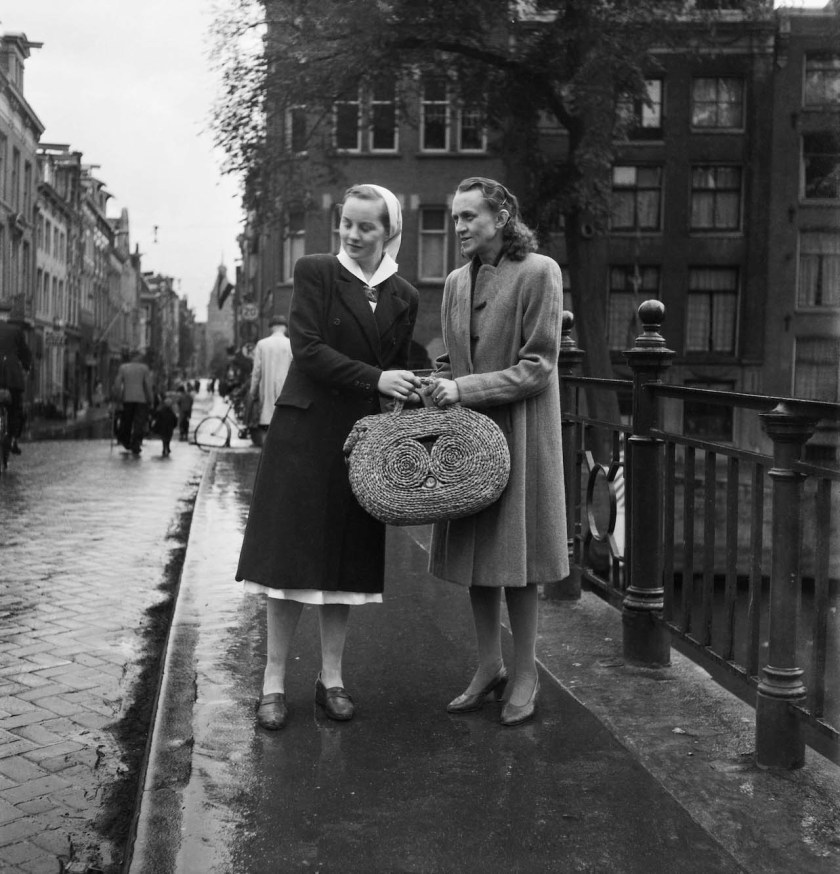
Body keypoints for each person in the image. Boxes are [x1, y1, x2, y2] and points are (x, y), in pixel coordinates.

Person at [236, 183, 420, 730]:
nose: (353, 234)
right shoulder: (315, 270)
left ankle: (331, 680)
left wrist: (411, 388)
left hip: (358, 437)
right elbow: (309, 350)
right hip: (306, 431)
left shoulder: (404, 295)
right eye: (347, 223)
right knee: (289, 563)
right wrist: (377, 377)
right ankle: (272, 684)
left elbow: (393, 364)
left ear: (389, 234)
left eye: (366, 227)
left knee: (343, 566)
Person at [427, 177, 568, 727]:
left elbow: (539, 366)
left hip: (521, 433)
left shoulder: (539, 272)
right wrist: (431, 383)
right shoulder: (455, 282)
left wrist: (464, 388)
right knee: (478, 561)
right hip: (470, 440)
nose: (459, 227)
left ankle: (526, 671)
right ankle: (489, 667)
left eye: (469, 217)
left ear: (502, 215)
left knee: (519, 562)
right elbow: (452, 363)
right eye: (456, 218)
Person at [249, 315, 293, 434]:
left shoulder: (262, 344)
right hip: (286, 391)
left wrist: (253, 391)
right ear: (285, 328)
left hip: (266, 391)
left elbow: (256, 372)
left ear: (271, 328)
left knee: (267, 425)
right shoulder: (290, 345)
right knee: (283, 425)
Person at [0, 299, 32, 456]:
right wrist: (27, 366)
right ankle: (12, 439)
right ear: (8, 315)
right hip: (10, 377)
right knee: (15, 409)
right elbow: (24, 353)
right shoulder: (15, 330)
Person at [113, 350, 153, 455]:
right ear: (137, 357)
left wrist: (117, 396)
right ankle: (136, 443)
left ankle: (126, 440)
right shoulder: (144, 368)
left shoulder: (123, 368)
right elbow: (148, 385)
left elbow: (117, 383)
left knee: (127, 420)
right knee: (139, 422)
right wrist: (151, 399)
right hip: (141, 399)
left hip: (127, 398)